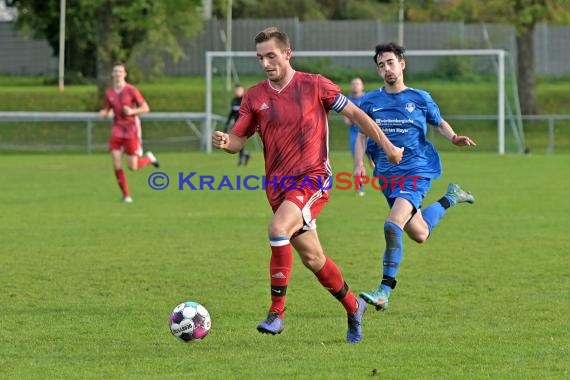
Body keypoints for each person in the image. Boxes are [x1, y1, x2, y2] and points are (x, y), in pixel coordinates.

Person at [212, 27, 403, 344]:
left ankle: (276, 313)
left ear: (287, 53)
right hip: (278, 187)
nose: (266, 63)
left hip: (313, 178)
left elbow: (357, 115)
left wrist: (388, 147)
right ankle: (354, 307)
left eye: (271, 55)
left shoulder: (315, 85)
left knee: (277, 230)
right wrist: (224, 142)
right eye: (260, 57)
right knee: (314, 259)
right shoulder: (255, 96)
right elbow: (238, 139)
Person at [354, 42, 477, 312]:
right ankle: (451, 197)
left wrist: (454, 137)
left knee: (391, 225)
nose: (386, 68)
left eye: (390, 62)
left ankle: (384, 290)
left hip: (416, 170)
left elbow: (439, 121)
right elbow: (362, 134)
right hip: (387, 176)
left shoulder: (420, 98)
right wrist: (359, 165)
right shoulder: (370, 101)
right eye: (381, 65)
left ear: (402, 64)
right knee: (419, 233)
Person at [99, 63, 159, 203]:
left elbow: (145, 108)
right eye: (115, 71)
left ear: (125, 74)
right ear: (112, 75)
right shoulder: (109, 93)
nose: (118, 74)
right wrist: (104, 113)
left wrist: (132, 111)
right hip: (117, 130)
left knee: (133, 166)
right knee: (116, 162)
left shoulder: (132, 90)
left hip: (131, 130)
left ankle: (149, 158)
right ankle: (126, 195)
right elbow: (108, 110)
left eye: (120, 71)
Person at [342, 76, 372, 196]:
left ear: (362, 86)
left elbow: (371, 118)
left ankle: (386, 183)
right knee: (358, 163)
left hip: (369, 135)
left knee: (374, 162)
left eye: (358, 84)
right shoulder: (346, 101)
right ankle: (360, 188)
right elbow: (347, 121)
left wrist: (355, 116)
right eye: (353, 84)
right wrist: (359, 117)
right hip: (355, 137)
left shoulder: (368, 99)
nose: (355, 86)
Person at [224, 84, 251, 166]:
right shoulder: (234, 101)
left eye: (239, 90)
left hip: (244, 125)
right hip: (236, 125)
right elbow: (231, 114)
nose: (237, 91)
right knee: (238, 143)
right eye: (236, 90)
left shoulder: (245, 100)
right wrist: (227, 124)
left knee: (238, 141)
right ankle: (245, 155)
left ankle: (241, 159)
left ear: (243, 91)